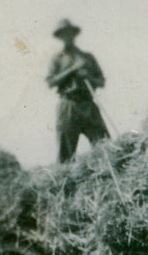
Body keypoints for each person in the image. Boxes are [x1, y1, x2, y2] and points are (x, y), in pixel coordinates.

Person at [46, 19, 109, 163]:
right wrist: (72, 70)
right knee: (66, 155)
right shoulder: (57, 58)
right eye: (63, 34)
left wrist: (88, 77)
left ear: (74, 34)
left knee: (104, 146)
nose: (67, 36)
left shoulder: (87, 57)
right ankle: (66, 183)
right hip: (68, 105)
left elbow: (102, 81)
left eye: (70, 33)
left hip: (88, 104)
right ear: (60, 37)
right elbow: (51, 82)